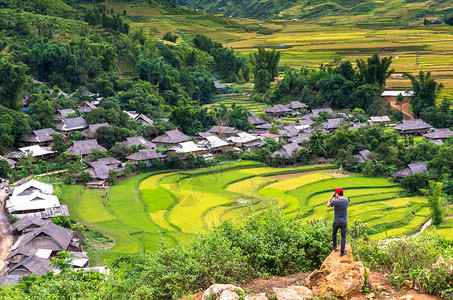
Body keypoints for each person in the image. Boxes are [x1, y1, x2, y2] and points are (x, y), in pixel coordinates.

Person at [327, 188, 350, 257]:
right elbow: (348, 199)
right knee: (343, 236)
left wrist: (331, 196)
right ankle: (342, 252)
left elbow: (328, 204)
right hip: (344, 222)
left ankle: (335, 247)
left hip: (336, 221)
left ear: (337, 194)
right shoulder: (346, 200)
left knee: (334, 233)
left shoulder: (334, 201)